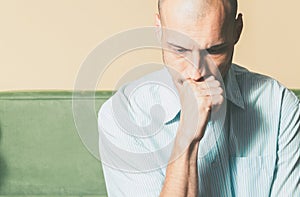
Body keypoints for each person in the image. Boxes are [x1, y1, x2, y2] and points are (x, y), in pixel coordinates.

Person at [98, 0, 300, 196]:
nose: (197, 72)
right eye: (179, 49)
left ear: (236, 30)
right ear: (159, 29)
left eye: (214, 51)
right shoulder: (124, 116)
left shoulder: (279, 106)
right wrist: (187, 138)